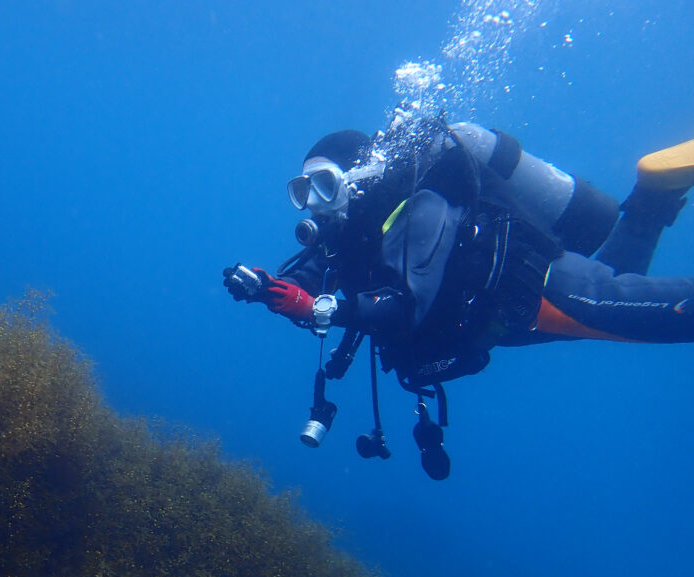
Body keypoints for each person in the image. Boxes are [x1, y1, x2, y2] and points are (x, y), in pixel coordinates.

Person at [222, 114, 694, 479]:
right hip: (486, 319)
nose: (315, 204)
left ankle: (654, 209)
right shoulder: (345, 230)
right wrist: (268, 288)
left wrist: (321, 308)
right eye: (302, 191)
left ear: (359, 175)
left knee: (623, 310)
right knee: (617, 289)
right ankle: (655, 196)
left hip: (519, 284)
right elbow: (314, 270)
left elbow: (409, 304)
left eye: (325, 185)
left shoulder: (420, 209)